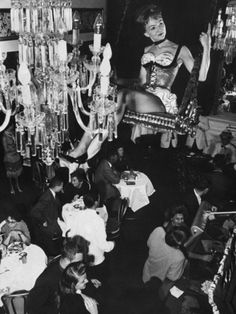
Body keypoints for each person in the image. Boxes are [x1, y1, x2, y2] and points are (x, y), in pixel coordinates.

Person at [68, 4, 211, 159]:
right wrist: (116, 80)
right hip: (144, 98)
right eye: (153, 27)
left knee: (122, 95)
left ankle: (88, 152)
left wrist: (207, 46)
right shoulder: (147, 50)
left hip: (162, 103)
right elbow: (141, 82)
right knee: (103, 100)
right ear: (146, 33)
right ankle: (82, 147)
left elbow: (201, 77)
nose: (159, 29)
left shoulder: (180, 49)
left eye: (161, 23)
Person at [27, 235, 92, 314]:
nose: (81, 264)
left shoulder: (64, 263)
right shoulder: (48, 279)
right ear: (67, 260)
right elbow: (33, 306)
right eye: (78, 262)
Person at [31, 176, 64, 256]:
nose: (62, 187)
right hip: (48, 223)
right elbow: (34, 211)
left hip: (53, 219)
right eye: (61, 186)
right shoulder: (46, 197)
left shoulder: (51, 193)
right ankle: (53, 255)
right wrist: (43, 221)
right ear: (56, 187)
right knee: (49, 241)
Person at [2, 122, 23, 194]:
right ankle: (11, 187)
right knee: (10, 174)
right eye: (11, 126)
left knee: (16, 171)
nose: (13, 127)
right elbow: (6, 150)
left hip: (16, 155)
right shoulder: (4, 137)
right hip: (9, 157)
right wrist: (15, 148)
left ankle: (17, 185)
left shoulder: (12, 133)